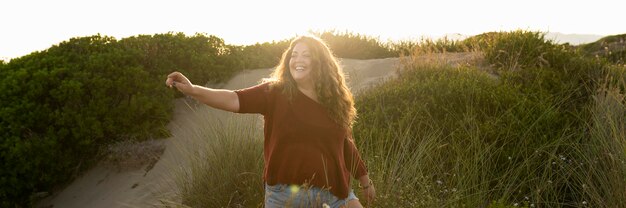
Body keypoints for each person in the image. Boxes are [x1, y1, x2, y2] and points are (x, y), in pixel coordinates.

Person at [165, 36, 375, 208]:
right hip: (285, 198)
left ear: (320, 63)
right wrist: (193, 90)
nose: (297, 60)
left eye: (306, 55)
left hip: (334, 194)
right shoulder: (274, 93)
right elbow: (232, 98)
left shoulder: (335, 101)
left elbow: (346, 144)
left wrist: (365, 182)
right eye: (294, 55)